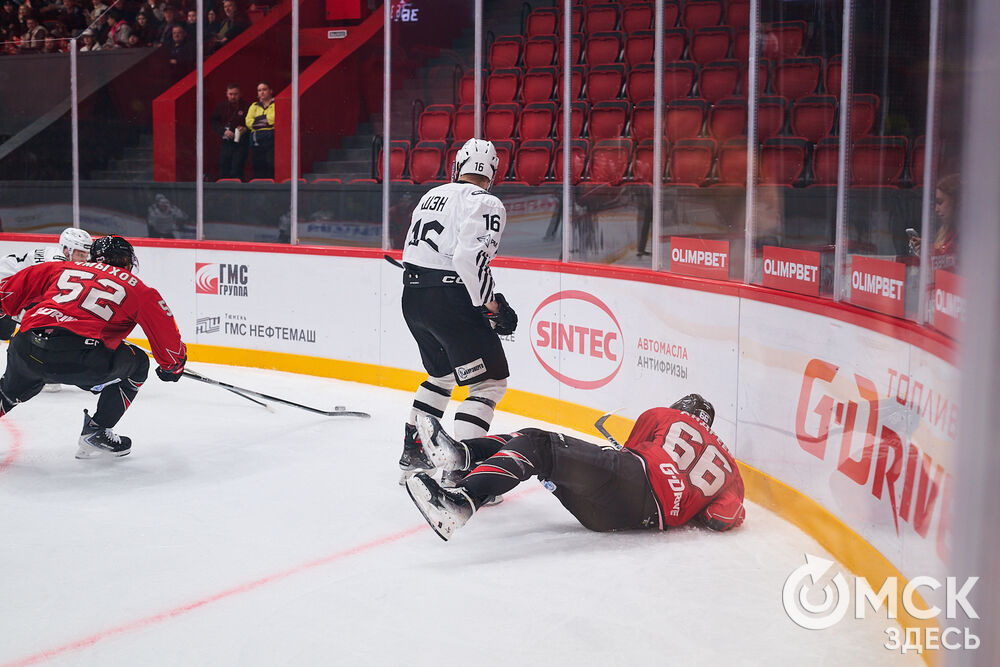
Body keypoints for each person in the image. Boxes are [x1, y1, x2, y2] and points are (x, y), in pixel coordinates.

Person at [405, 394, 746, 541]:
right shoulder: (731, 471)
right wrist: (688, 502)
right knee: (536, 445)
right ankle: (462, 454)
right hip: (618, 520)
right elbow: (721, 517)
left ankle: (461, 502)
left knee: (537, 444)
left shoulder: (665, 416)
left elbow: (630, 454)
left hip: (630, 483)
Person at [396, 138, 517, 485]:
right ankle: (461, 471)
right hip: (450, 301)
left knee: (442, 376)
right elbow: (469, 259)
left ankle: (415, 458)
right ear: (492, 173)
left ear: (458, 166)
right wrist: (492, 306)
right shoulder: (487, 202)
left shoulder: (431, 195)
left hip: (413, 298)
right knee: (489, 384)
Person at [0, 235, 186, 459]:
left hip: (26, 346)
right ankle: (96, 431)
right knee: (138, 363)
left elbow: (5, 293)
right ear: (128, 262)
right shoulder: (139, 289)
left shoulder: (60, 268)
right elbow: (170, 345)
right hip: (81, 358)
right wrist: (172, 367)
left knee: (9, 392)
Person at [0, 227, 93, 340]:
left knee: (7, 333)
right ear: (66, 250)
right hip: (5, 285)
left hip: (11, 289)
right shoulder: (56, 261)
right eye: (81, 255)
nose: (84, 261)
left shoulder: (53, 254)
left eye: (86, 256)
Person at [910, 173, 960, 271]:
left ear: (956, 202)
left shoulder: (968, 236)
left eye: (940, 202)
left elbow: (953, 263)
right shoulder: (947, 231)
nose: (936, 209)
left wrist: (930, 251)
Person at [211, 82, 249, 180]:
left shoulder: (246, 107)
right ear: (226, 94)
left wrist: (244, 128)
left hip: (241, 142)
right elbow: (214, 122)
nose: (233, 97)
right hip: (226, 141)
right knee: (224, 167)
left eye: (235, 94)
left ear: (240, 94)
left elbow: (251, 122)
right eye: (230, 94)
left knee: (237, 168)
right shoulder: (221, 107)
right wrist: (223, 131)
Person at [245, 81, 275, 180]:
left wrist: (257, 121)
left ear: (270, 91)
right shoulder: (254, 105)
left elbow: (273, 119)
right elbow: (248, 122)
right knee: (258, 166)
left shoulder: (276, 104)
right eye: (259, 90)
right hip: (256, 140)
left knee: (270, 164)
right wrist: (265, 120)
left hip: (271, 139)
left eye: (264, 89)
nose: (261, 92)